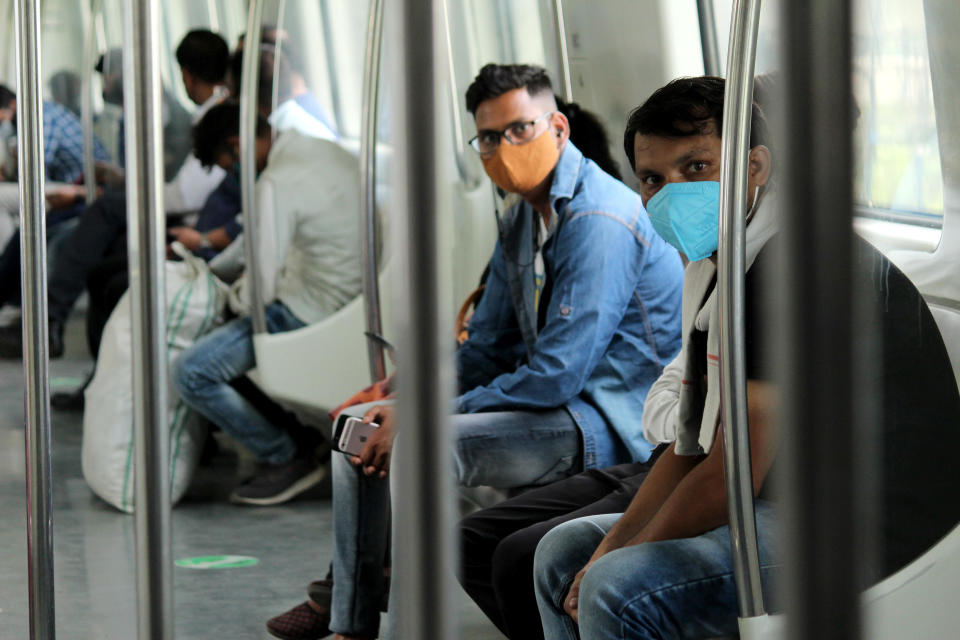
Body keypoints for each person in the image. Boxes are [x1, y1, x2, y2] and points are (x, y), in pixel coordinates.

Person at [532, 76, 960, 640]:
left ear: (754, 167)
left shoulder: (790, 268)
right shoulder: (720, 268)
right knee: (561, 551)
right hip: (778, 499)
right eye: (653, 180)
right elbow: (693, 448)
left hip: (867, 530)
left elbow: (732, 470)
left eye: (697, 168)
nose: (670, 194)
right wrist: (610, 544)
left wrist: (611, 562)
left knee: (616, 584)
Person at [274, 63, 684, 640]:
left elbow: (556, 376)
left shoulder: (600, 219)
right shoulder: (523, 218)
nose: (502, 148)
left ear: (558, 128)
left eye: (519, 130)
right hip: (556, 409)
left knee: (418, 449)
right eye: (488, 137)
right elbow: (487, 344)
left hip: (606, 418)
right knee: (357, 428)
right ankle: (350, 617)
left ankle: (392, 616)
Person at [171, 101, 362, 506]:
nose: (234, 173)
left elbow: (263, 280)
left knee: (191, 371)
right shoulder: (319, 149)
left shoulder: (277, 180)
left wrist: (231, 298)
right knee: (220, 344)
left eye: (228, 164)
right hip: (348, 294)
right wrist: (213, 260)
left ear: (236, 145)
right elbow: (257, 242)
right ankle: (298, 437)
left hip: (310, 307)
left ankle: (286, 456)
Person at [0, 31, 232, 358]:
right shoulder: (200, 116)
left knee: (100, 217)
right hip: (184, 218)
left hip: (190, 226)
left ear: (187, 75)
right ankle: (65, 342)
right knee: (95, 257)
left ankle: (48, 319)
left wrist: (134, 192)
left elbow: (183, 195)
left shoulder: (210, 120)